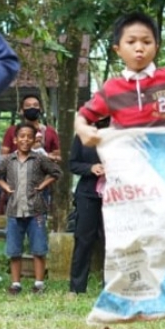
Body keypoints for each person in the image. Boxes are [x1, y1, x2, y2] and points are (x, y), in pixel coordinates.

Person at [73, 11, 165, 146]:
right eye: (131, 42)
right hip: (127, 164)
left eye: (146, 42)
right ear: (118, 49)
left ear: (156, 47)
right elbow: (84, 115)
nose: (139, 48)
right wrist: (82, 128)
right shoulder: (111, 88)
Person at [0, 123, 62, 295]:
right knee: (14, 249)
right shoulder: (8, 160)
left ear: (34, 140)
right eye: (21, 136)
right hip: (14, 210)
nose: (25, 139)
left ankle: (39, 283)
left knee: (38, 248)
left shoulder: (39, 159)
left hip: (36, 210)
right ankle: (16, 283)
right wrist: (6, 187)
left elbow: (56, 172)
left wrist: (42, 186)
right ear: (15, 139)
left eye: (29, 137)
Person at [67, 125, 106, 295]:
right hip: (87, 194)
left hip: (115, 194)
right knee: (83, 239)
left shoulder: (121, 133)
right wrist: (90, 168)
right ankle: (76, 287)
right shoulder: (82, 135)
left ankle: (112, 288)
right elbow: (73, 164)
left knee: (112, 241)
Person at [2, 95, 61, 161]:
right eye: (28, 105)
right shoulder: (12, 131)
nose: (32, 107)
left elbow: (57, 157)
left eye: (35, 105)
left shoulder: (49, 131)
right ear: (22, 110)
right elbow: (4, 157)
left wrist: (44, 155)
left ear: (40, 109)